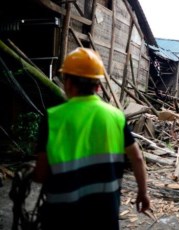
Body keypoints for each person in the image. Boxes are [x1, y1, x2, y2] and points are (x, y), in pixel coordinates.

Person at [33, 47, 150, 230]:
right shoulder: (116, 116)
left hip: (62, 217)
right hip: (105, 215)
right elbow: (137, 158)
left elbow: (40, 174)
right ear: (97, 86)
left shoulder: (53, 117)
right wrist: (143, 193)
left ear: (68, 83)